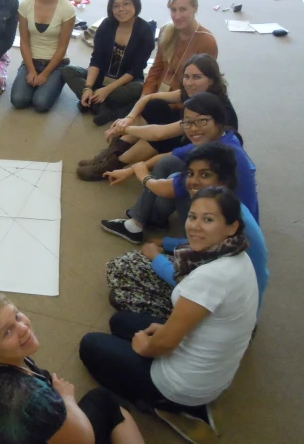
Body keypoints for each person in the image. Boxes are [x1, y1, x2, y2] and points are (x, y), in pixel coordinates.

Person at [80, 187, 259, 444]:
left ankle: (164, 405)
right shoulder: (236, 253)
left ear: (232, 227)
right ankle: (184, 398)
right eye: (193, 217)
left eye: (208, 220)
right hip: (210, 367)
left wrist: (146, 348)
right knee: (120, 321)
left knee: (90, 345)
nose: (195, 227)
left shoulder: (211, 277)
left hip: (181, 384)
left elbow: (165, 344)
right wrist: (164, 331)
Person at [0, 292, 146, 444]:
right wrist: (67, 400)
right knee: (107, 401)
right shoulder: (37, 401)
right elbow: (83, 440)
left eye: (17, 316)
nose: (24, 328)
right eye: (7, 332)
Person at [106, 142, 269, 319]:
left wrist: (156, 257)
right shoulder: (226, 205)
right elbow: (203, 242)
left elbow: (189, 282)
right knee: (126, 265)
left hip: (217, 307)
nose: (193, 181)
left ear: (224, 180)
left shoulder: (228, 223)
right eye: (191, 173)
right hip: (221, 292)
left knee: (120, 290)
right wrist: (165, 242)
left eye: (205, 175)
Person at [99, 93, 259, 245]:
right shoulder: (223, 139)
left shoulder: (217, 156)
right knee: (169, 162)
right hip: (230, 218)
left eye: (202, 121)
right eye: (187, 122)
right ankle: (141, 222)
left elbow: (166, 189)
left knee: (177, 179)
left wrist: (143, 176)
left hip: (226, 236)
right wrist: (128, 171)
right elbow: (170, 155)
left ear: (218, 121)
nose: (194, 128)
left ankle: (187, 243)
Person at [77, 54, 237, 180]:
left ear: (212, 80)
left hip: (204, 154)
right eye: (187, 76)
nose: (189, 83)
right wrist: (130, 118)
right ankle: (112, 153)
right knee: (154, 105)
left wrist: (124, 128)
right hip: (189, 136)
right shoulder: (193, 93)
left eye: (197, 77)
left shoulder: (208, 108)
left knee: (161, 137)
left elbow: (159, 134)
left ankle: (115, 163)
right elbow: (149, 97)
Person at [63, 0, 155, 126]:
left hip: (124, 83)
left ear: (135, 4)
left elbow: (135, 69)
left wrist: (107, 90)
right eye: (116, 6)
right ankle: (103, 108)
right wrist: (88, 87)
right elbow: (96, 59)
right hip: (101, 78)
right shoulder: (106, 25)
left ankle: (93, 103)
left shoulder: (145, 31)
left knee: (139, 88)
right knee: (68, 70)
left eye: (126, 3)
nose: (121, 9)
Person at [11, 0, 77, 113]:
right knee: (18, 100)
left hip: (56, 64)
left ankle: (56, 81)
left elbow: (62, 48)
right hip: (31, 61)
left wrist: (46, 73)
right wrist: (31, 70)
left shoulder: (67, 9)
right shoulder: (25, 5)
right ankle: (40, 84)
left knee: (40, 104)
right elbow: (25, 43)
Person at [142, 0, 217, 97]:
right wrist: (144, 98)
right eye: (173, 10)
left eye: (183, 9)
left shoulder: (207, 42)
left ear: (195, 8)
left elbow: (200, 88)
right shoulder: (165, 31)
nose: (177, 16)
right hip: (156, 95)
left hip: (182, 101)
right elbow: (155, 70)